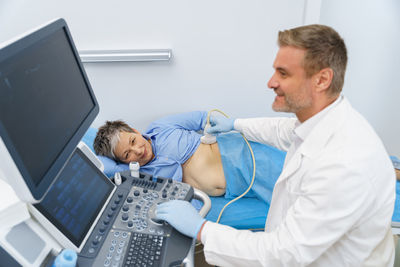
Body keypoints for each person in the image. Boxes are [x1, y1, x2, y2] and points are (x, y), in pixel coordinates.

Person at [155, 24, 396, 266]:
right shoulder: (324, 120)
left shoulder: (341, 166)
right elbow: (282, 130)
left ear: (321, 80)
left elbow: (283, 254)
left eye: (283, 73)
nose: (271, 82)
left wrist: (201, 229)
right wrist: (236, 124)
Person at [93, 111, 285, 202]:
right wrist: (123, 164)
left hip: (240, 156)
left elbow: (203, 117)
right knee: (287, 202)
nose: (137, 151)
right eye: (127, 154)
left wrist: (219, 123)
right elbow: (102, 167)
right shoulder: (139, 172)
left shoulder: (161, 127)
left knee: (297, 186)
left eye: (133, 141)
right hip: (237, 188)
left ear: (135, 130)